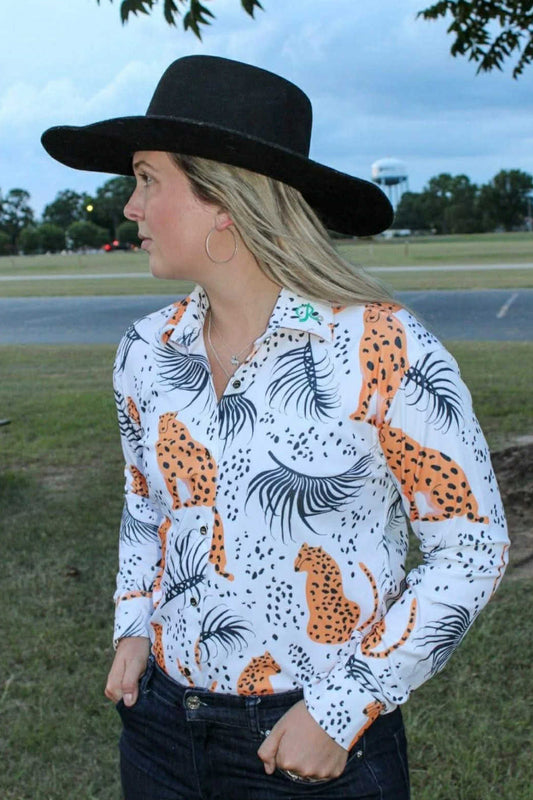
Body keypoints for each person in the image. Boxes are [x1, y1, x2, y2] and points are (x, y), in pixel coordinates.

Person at [42, 55, 509, 800]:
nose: (129, 206)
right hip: (161, 729)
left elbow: (472, 545)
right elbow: (148, 507)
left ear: (223, 197)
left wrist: (343, 706)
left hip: (317, 738)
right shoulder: (145, 352)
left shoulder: (383, 348)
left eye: (146, 178)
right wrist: (133, 624)